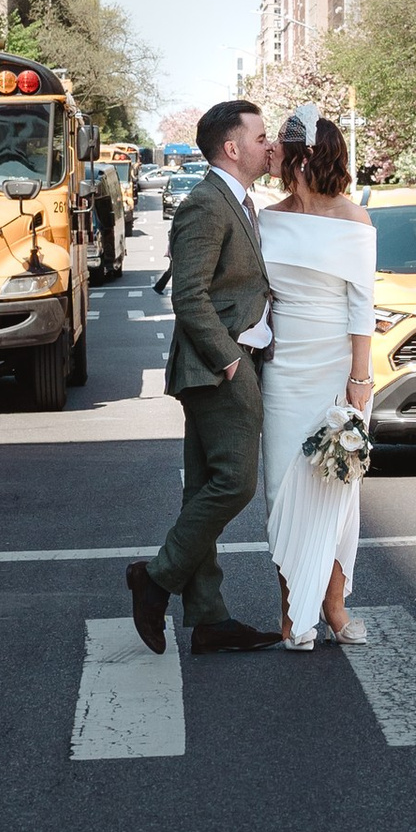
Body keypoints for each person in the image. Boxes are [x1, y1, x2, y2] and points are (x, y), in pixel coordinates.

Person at [125, 98, 280, 654]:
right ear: (233, 147)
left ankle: (209, 618)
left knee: (202, 489)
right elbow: (189, 296)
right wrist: (230, 358)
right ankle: (157, 577)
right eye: (261, 137)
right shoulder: (206, 204)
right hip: (218, 367)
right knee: (234, 483)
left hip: (228, 361)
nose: (270, 145)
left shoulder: (238, 200)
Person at [257, 113, 377, 651]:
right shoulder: (265, 220)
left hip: (338, 368)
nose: (270, 153)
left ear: (302, 157)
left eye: (278, 146)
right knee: (284, 490)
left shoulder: (356, 220)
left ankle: (333, 606)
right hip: (283, 370)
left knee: (335, 487)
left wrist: (360, 378)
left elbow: (361, 308)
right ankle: (291, 613)